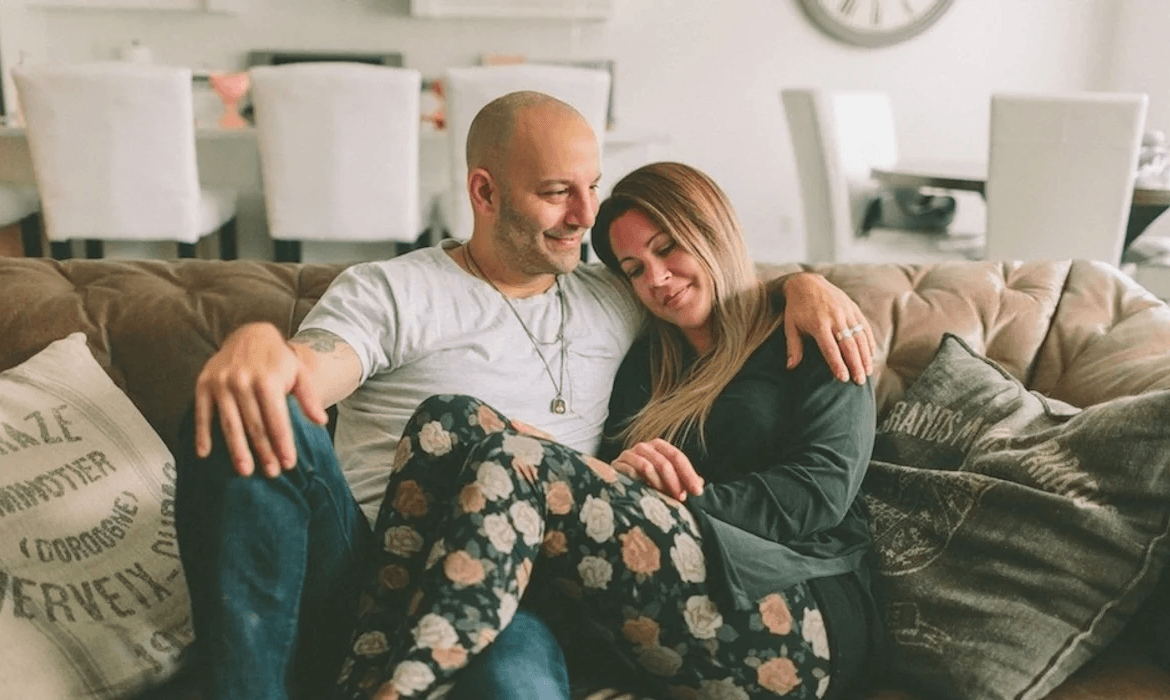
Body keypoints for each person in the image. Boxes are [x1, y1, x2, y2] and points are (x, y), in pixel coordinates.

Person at [176, 92, 878, 700]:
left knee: (512, 675)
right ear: (485, 194)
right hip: (360, 562)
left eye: (590, 188)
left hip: (525, 582)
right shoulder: (393, 289)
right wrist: (260, 344)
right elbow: (309, 372)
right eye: (554, 193)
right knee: (263, 408)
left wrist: (806, 286)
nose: (583, 217)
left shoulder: (615, 295)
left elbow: (714, 278)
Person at [328, 161, 882, 700]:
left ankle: (403, 689)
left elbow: (820, 492)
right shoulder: (646, 362)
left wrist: (681, 505)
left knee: (519, 461)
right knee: (446, 421)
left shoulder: (813, 332)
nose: (657, 279)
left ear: (713, 230)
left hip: (794, 608)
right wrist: (625, 482)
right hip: (670, 591)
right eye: (634, 268)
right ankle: (363, 681)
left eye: (667, 248)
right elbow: (614, 492)